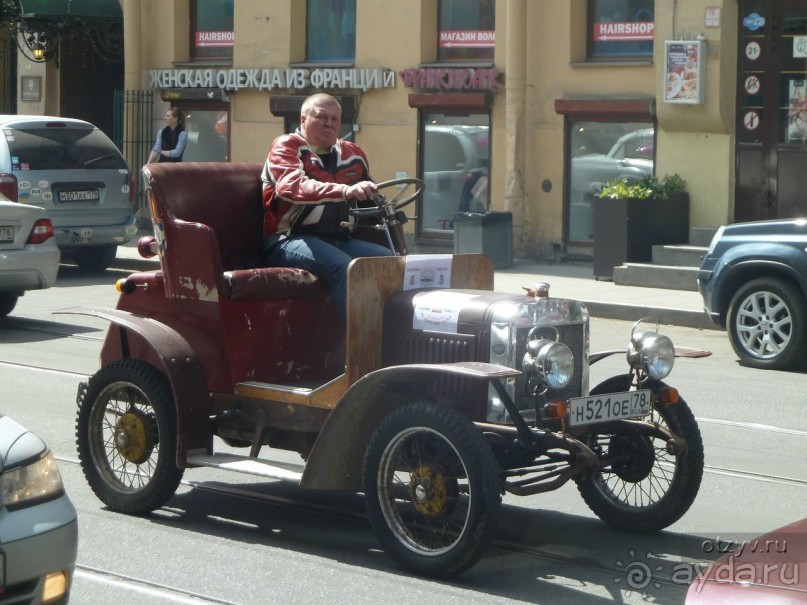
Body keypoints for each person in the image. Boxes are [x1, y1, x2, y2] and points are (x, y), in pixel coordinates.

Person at [261, 93, 392, 320]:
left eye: (334, 119)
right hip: (288, 239)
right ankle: (356, 347)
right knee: (346, 268)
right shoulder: (287, 146)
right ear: (303, 120)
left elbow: (370, 197)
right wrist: (344, 190)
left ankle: (388, 337)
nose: (329, 124)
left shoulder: (353, 153)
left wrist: (385, 206)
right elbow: (292, 188)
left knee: (391, 261)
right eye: (321, 117)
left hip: (340, 240)